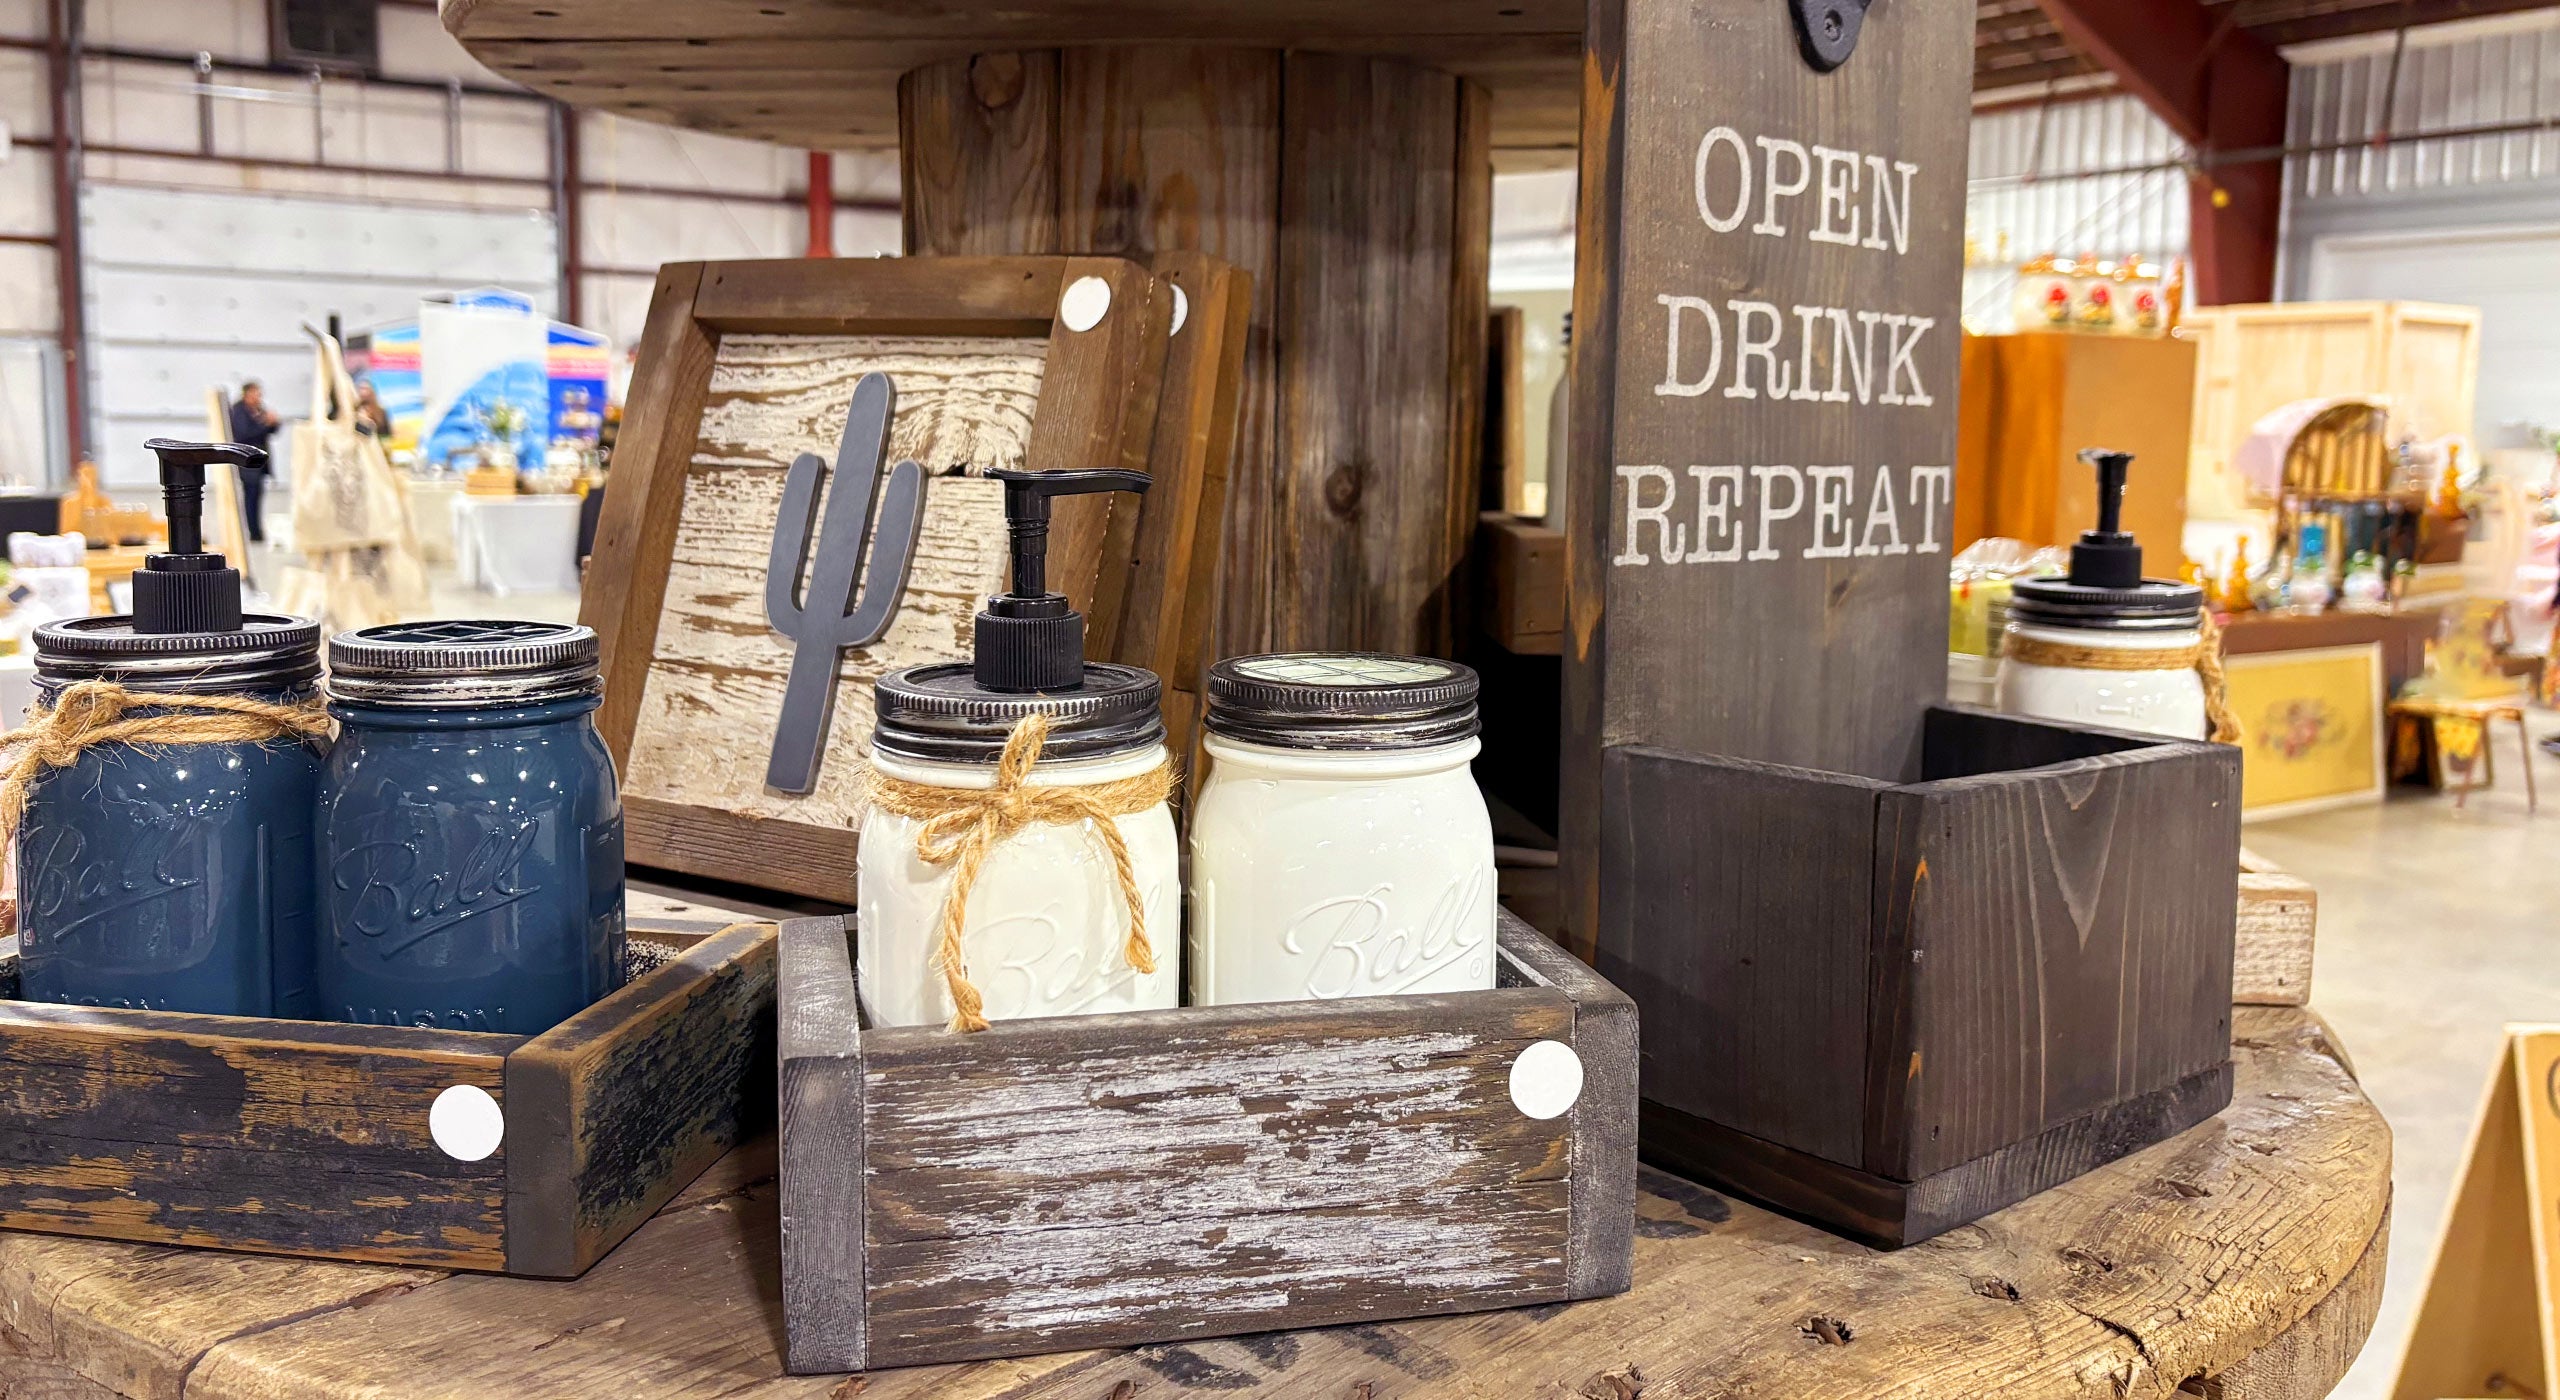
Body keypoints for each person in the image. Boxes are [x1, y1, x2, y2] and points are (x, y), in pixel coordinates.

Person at [226, 379, 281, 543]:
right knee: (250, 497)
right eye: (256, 393)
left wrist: (273, 423)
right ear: (247, 393)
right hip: (247, 461)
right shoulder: (239, 411)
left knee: (257, 496)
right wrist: (265, 424)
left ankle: (257, 531)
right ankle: (253, 532)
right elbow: (244, 433)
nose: (259, 397)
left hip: (259, 461)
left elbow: (270, 431)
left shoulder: (258, 409)